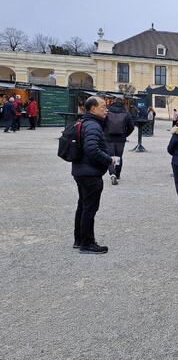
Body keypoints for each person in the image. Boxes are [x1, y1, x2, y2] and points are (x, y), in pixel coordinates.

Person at [72, 96, 116, 254]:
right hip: (89, 173)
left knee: (82, 206)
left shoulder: (85, 122)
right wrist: (109, 159)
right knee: (89, 208)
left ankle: (79, 239)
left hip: (81, 170)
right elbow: (92, 149)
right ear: (93, 109)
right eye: (103, 107)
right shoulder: (92, 125)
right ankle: (87, 243)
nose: (106, 110)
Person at [103, 98, 135, 185]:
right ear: (123, 103)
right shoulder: (126, 113)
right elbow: (131, 127)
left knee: (109, 156)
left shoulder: (107, 112)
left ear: (114, 102)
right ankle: (117, 174)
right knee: (118, 156)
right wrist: (125, 134)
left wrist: (105, 133)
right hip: (120, 139)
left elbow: (102, 123)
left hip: (108, 138)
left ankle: (112, 173)